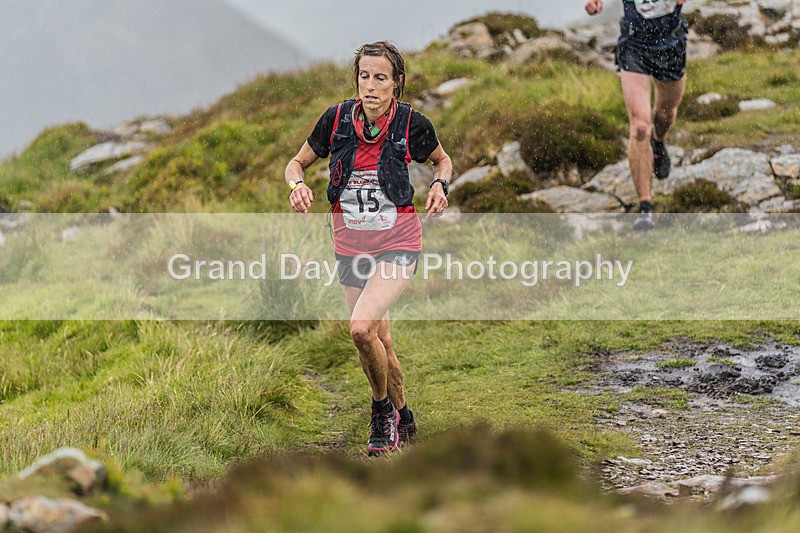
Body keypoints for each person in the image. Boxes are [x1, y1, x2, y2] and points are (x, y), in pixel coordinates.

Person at [285, 41, 452, 456]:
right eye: (364, 76)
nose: (371, 86)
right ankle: (404, 414)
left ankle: (380, 415)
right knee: (379, 340)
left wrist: (439, 184)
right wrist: (297, 185)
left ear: (397, 83)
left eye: (381, 78)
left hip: (398, 241)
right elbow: (295, 163)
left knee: (360, 329)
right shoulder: (337, 119)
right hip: (350, 244)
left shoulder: (411, 123)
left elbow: (442, 160)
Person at [586, 0, 688, 230]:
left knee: (666, 114)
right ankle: (645, 207)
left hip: (670, 44)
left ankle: (658, 142)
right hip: (634, 45)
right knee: (640, 125)